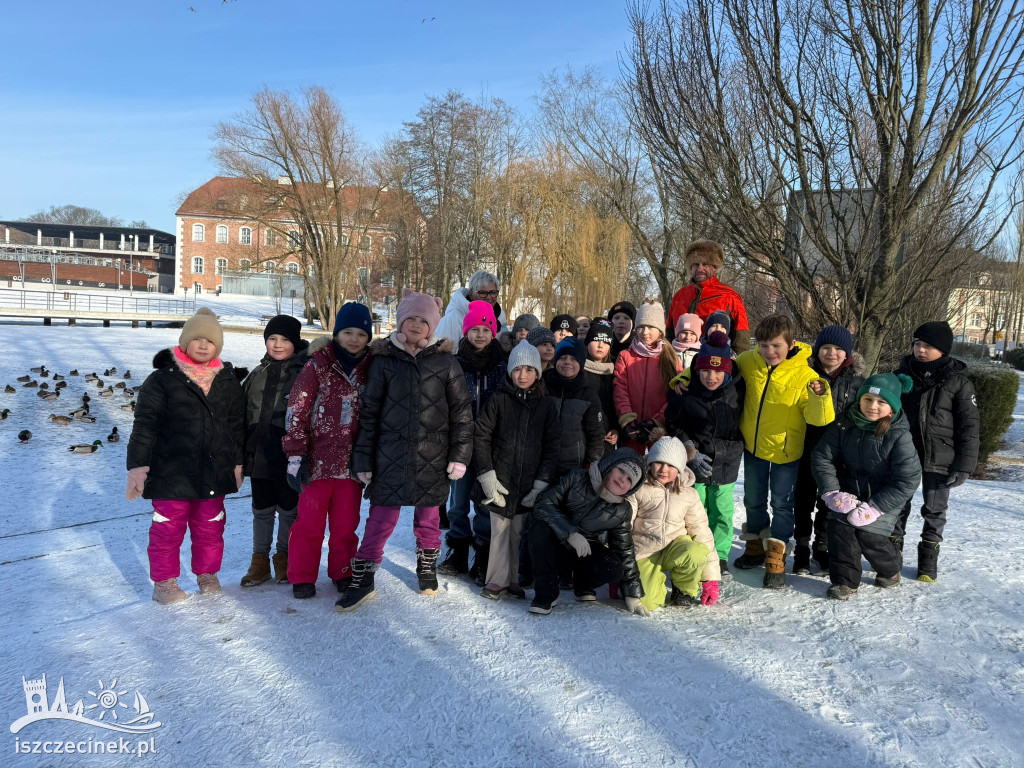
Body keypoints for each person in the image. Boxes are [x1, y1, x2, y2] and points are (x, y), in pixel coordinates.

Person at [341, 290, 474, 611]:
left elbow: (461, 412)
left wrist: (459, 455)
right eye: (410, 318)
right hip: (389, 456)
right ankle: (364, 574)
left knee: (428, 518)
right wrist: (363, 458)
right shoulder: (385, 360)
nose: (416, 325)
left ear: (433, 326)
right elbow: (370, 412)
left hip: (433, 455)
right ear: (401, 322)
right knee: (380, 518)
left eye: (423, 320)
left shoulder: (446, 361)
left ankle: (426, 564)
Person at [126, 308, 245, 604]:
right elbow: (144, 425)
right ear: (184, 342)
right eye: (197, 339)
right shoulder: (162, 380)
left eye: (210, 340)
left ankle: (207, 573)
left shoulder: (227, 380)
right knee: (168, 527)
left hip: (214, 470)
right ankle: (164, 582)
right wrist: (138, 466)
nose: (204, 345)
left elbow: (237, 426)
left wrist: (239, 463)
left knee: (210, 525)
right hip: (170, 471)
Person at [733, 314, 835, 588]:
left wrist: (820, 395)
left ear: (790, 344)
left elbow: (820, 419)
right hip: (754, 447)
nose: (769, 352)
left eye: (776, 345)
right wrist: (683, 378)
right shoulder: (748, 361)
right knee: (753, 499)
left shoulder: (806, 374)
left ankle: (776, 557)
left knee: (781, 504)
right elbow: (715, 368)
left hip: (787, 453)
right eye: (764, 345)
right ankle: (755, 547)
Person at [282, 302, 373, 599]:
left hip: (351, 464)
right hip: (316, 462)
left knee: (346, 525)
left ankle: (343, 571)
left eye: (361, 333)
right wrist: (296, 456)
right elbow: (298, 409)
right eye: (348, 332)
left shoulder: (372, 366)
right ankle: (302, 575)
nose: (354, 339)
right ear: (336, 333)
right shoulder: (318, 365)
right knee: (309, 523)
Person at [812, 374, 922, 600]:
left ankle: (890, 569)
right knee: (840, 526)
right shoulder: (844, 424)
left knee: (868, 534)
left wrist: (876, 507)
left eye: (881, 402)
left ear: (891, 407)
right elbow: (822, 457)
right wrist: (832, 491)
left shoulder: (898, 434)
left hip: (884, 498)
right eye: (867, 399)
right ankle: (844, 581)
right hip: (849, 492)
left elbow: (908, 478)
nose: (872, 406)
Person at [892, 321, 979, 582]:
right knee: (897, 505)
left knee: (934, 509)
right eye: (917, 344)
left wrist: (964, 465)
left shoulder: (958, 383)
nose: (920, 350)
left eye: (928, 346)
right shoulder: (901, 376)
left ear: (943, 350)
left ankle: (928, 558)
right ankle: (891, 554)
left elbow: (969, 426)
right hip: (904, 454)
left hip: (940, 457)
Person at [472, 340, 560, 600]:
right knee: (499, 532)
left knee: (518, 534)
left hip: (528, 482)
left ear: (538, 373)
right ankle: (496, 580)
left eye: (529, 370)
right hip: (500, 479)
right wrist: (487, 475)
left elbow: (552, 446)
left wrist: (541, 483)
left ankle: (515, 579)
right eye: (518, 370)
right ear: (510, 371)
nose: (523, 375)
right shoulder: (498, 399)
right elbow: (482, 436)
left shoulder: (545, 405)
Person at [528, 448, 650, 616]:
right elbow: (543, 503)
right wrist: (570, 532)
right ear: (610, 465)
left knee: (613, 568)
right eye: (621, 470)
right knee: (539, 528)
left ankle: (582, 584)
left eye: (630, 479)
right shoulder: (576, 477)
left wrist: (632, 594)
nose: (623, 479)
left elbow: (624, 550)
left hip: (582, 549)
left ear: (632, 488)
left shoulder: (622, 510)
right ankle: (546, 592)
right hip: (553, 542)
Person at [665, 332, 745, 581]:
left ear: (728, 373)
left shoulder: (739, 390)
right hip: (695, 463)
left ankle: (719, 556)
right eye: (706, 372)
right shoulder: (687, 392)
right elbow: (674, 423)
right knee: (695, 511)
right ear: (697, 371)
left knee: (721, 511)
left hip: (727, 463)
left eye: (718, 372)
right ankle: (699, 553)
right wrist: (690, 450)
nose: (712, 377)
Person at [239, 314, 310, 588]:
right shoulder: (257, 374)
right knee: (262, 509)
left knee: (289, 509)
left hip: (289, 456)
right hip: (259, 454)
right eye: (272, 339)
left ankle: (284, 556)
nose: (277, 345)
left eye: (284, 340)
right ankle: (260, 560)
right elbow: (242, 415)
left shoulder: (306, 373)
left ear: (295, 342)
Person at [439, 301, 506, 584]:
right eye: (474, 329)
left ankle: (482, 551)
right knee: (456, 502)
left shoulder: (501, 365)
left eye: (485, 329)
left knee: (484, 502)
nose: (480, 334)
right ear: (466, 331)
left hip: (488, 444)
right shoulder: (454, 362)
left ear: (493, 331)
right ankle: (457, 549)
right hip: (460, 443)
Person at [792, 325, 865, 575]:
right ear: (817, 350)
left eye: (837, 349)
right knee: (802, 500)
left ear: (847, 354)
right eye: (825, 347)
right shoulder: (805, 374)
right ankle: (800, 548)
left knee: (829, 501)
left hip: (838, 454)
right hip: (806, 447)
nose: (831, 353)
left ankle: (821, 547)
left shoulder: (857, 382)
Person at [628, 437, 721, 612]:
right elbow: (623, 525)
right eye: (659, 463)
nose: (664, 470)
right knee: (647, 602)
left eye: (671, 465)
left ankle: (683, 590)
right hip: (644, 551)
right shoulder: (637, 487)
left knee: (696, 552)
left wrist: (710, 578)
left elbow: (701, 531)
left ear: (679, 468)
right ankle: (654, 584)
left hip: (675, 547)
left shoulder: (689, 494)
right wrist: (619, 570)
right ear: (650, 462)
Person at [613, 300, 681, 453]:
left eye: (651, 327)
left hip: (659, 430)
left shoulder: (670, 358)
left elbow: (675, 394)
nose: (645, 332)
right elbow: (620, 389)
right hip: (632, 430)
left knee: (658, 472)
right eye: (641, 327)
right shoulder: (625, 356)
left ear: (660, 330)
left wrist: (657, 421)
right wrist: (627, 419)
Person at [667, 240, 751, 352]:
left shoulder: (729, 296)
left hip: (713, 362)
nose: (700, 269)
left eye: (705, 264)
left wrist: (738, 365)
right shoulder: (680, 296)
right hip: (680, 362)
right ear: (690, 267)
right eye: (696, 264)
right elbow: (669, 333)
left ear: (715, 267)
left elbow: (741, 338)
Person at [544, 338, 606, 474]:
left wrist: (591, 464)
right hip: (541, 463)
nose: (567, 362)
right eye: (563, 357)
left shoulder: (588, 395)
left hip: (573, 467)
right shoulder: (543, 386)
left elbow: (595, 435)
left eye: (573, 359)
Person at [436, 269, 510, 344]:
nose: (488, 297)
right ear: (471, 294)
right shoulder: (454, 318)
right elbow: (441, 353)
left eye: (493, 292)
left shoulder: (500, 317)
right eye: (483, 293)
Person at [581, 319, 620, 453]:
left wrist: (616, 429)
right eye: (596, 340)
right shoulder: (579, 371)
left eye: (605, 342)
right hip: (582, 437)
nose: (600, 345)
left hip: (606, 439)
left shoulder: (614, 372)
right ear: (587, 343)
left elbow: (616, 404)